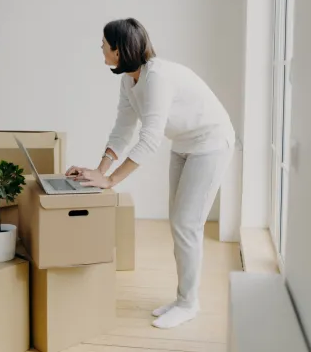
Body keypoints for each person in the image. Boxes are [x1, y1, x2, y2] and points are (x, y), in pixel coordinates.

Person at [66, 18, 236, 329]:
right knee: (180, 222)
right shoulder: (129, 79)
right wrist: (98, 171)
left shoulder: (156, 77)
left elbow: (150, 138)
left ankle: (189, 303)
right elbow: (123, 129)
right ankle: (183, 298)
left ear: (118, 50)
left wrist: (113, 180)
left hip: (211, 142)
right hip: (184, 143)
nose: (100, 48)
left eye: (104, 44)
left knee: (187, 225)